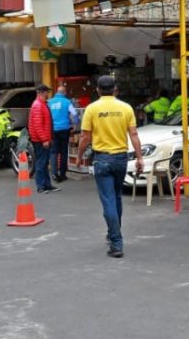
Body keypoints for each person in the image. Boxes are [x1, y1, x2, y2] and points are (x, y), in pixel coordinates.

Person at [77, 75, 143, 258]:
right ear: (115, 89)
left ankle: (116, 242)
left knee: (108, 201)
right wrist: (139, 158)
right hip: (121, 159)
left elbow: (84, 137)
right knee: (116, 198)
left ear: (97, 90)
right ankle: (114, 232)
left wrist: (79, 156)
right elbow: (134, 135)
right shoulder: (126, 108)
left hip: (102, 159)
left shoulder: (92, 109)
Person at [27, 84, 60, 194]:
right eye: (47, 92)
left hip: (43, 138)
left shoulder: (43, 104)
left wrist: (47, 138)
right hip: (40, 140)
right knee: (41, 163)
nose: (48, 94)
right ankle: (41, 186)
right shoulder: (38, 105)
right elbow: (38, 125)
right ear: (42, 92)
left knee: (45, 162)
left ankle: (47, 184)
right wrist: (44, 139)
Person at [48, 85, 78, 183]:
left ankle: (54, 173)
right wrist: (75, 124)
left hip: (52, 130)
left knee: (53, 152)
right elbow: (74, 114)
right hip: (64, 129)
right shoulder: (67, 102)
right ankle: (63, 174)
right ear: (64, 92)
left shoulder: (49, 102)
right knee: (63, 152)